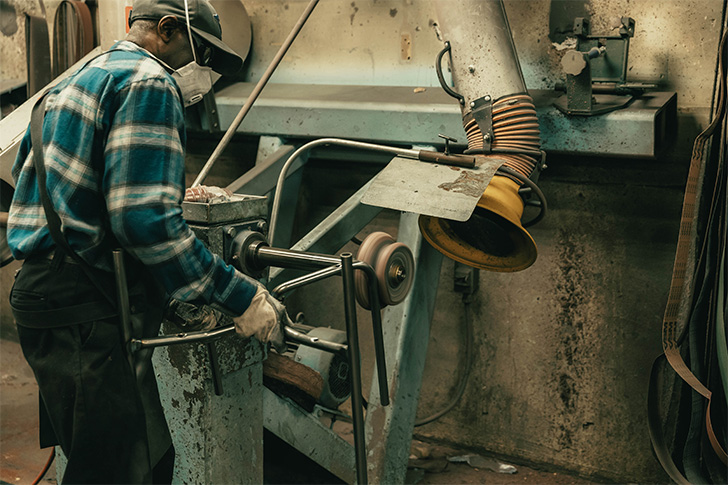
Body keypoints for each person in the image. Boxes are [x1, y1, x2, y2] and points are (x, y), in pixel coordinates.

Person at [6, 0, 289, 483]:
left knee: (144, 460)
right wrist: (241, 296)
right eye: (208, 59)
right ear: (167, 29)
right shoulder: (150, 82)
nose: (209, 75)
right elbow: (146, 222)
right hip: (82, 308)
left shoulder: (76, 78)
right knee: (115, 473)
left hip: (44, 294)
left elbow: (27, 177)